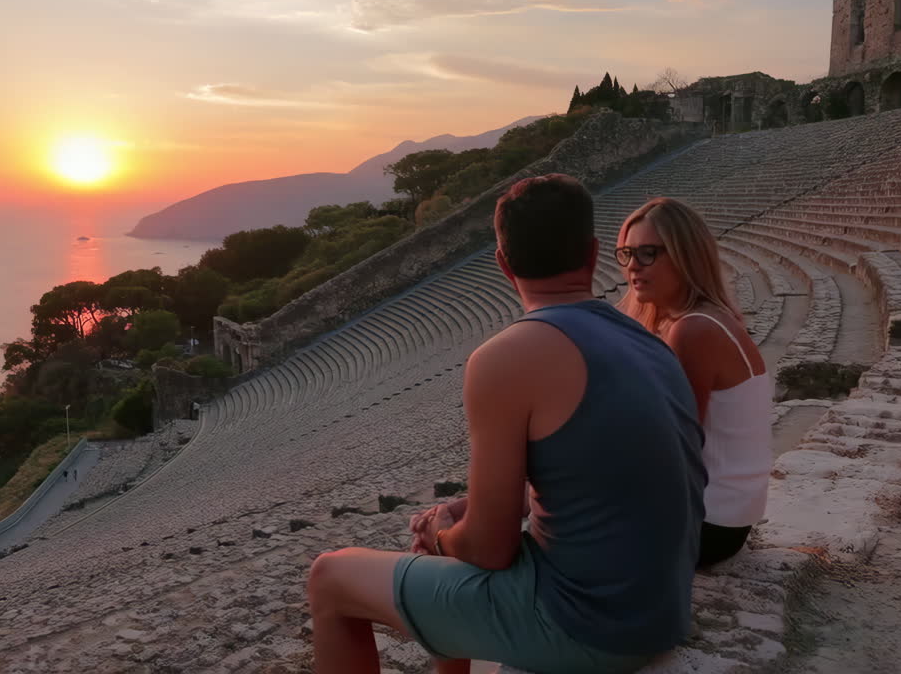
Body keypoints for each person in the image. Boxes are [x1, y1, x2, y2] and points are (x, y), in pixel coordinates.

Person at [306, 175, 706, 674]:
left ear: (502, 263)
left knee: (329, 576)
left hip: (591, 629)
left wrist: (441, 534)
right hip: (659, 613)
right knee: (446, 558)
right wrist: (459, 514)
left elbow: (491, 550)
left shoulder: (508, 356)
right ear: (594, 253)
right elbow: (593, 480)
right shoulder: (648, 341)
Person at [615, 197, 772, 568]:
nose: (634, 266)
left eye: (649, 253)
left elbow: (673, 447)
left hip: (707, 525)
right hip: (725, 517)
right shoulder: (704, 319)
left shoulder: (694, 330)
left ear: (686, 256)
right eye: (627, 254)